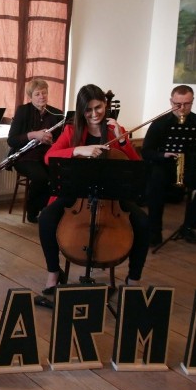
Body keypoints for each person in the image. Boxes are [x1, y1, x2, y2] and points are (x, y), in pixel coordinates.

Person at [38, 84, 150, 294]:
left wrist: (124, 141)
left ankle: (133, 279)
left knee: (143, 222)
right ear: (81, 111)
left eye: (98, 108)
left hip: (112, 196)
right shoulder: (72, 130)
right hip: (77, 193)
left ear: (105, 105)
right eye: (88, 110)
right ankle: (54, 273)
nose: (94, 114)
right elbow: (48, 157)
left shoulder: (116, 131)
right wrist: (79, 149)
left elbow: (135, 165)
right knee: (46, 218)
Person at [142, 85, 196, 246]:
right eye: (178, 104)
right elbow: (146, 152)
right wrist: (163, 154)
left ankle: (188, 227)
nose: (182, 108)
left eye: (187, 104)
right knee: (155, 182)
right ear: (171, 101)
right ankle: (154, 232)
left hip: (189, 167)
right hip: (164, 167)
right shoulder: (159, 123)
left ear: (193, 101)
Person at [5, 79, 65, 223]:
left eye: (44, 93)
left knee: (59, 177)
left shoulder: (57, 114)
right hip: (24, 156)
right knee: (41, 178)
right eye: (37, 94)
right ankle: (34, 211)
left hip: (47, 155)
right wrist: (34, 134)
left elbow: (61, 141)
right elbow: (11, 140)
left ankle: (50, 210)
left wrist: (52, 142)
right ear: (30, 97)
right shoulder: (23, 111)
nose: (41, 96)